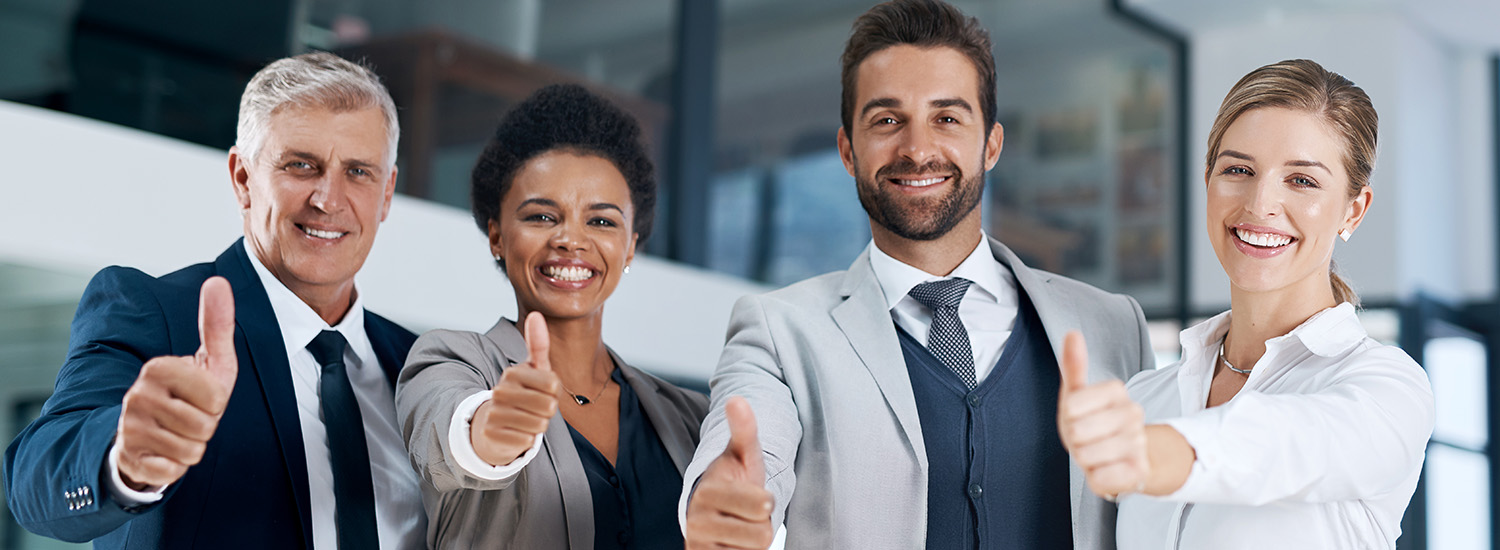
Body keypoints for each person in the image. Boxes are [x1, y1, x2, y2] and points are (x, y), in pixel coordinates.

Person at [680, 1, 1153, 548]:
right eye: (886, 121)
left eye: (947, 118)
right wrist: (724, 497)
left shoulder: (1114, 327)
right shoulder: (779, 330)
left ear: (991, 144)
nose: (918, 149)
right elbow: (745, 448)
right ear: (847, 150)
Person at [4, 52, 425, 549]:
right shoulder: (156, 314)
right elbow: (36, 480)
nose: (329, 199)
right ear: (243, 179)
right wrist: (125, 455)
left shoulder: (419, 366)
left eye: (358, 172)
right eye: (301, 165)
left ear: (388, 193)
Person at [1055, 59, 1435, 549]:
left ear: (1353, 210)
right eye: (1238, 169)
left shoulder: (1387, 390)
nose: (1260, 204)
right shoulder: (1147, 396)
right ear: (1208, 181)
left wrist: (1153, 453)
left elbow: (1286, 444)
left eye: (1301, 180)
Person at [396, 84, 708, 549]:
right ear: (496, 236)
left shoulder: (689, 416)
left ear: (631, 247)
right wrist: (490, 430)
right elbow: (446, 433)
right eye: (542, 216)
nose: (570, 239)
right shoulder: (453, 361)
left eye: (601, 221)